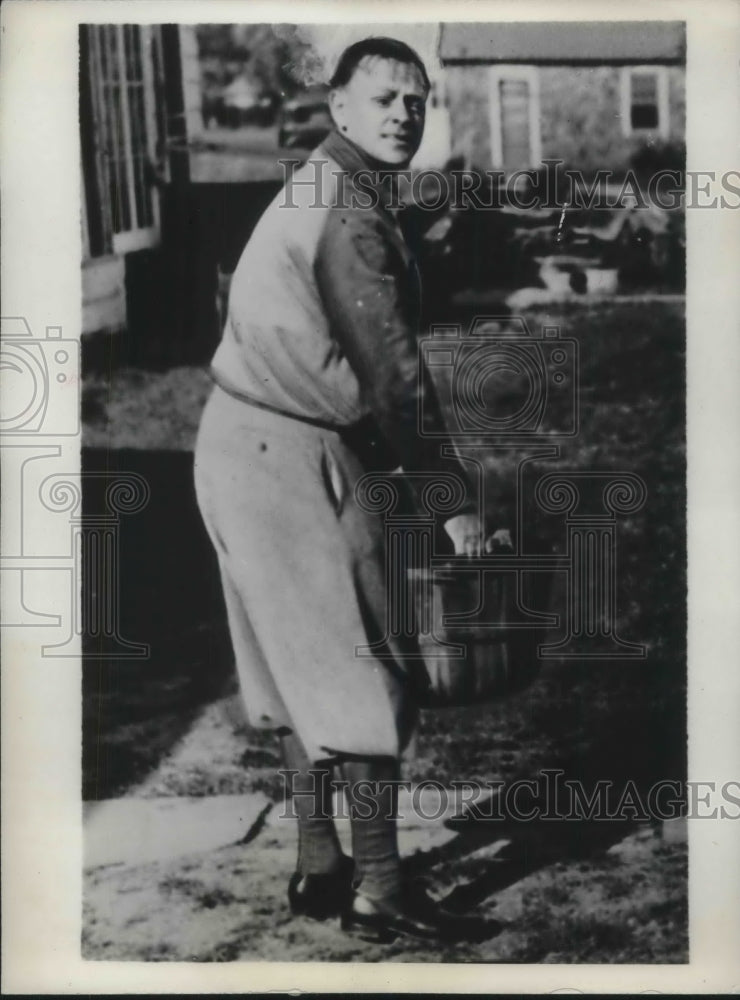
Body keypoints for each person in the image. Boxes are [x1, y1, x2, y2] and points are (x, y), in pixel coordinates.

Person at [194, 37, 490, 943]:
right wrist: (452, 499)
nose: (405, 112)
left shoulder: (322, 187)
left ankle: (320, 867)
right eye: (385, 98)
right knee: (369, 664)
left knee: (292, 670)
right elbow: (397, 377)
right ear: (341, 110)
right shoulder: (349, 214)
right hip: (288, 452)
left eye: (418, 99)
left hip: (235, 437)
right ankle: (379, 890)